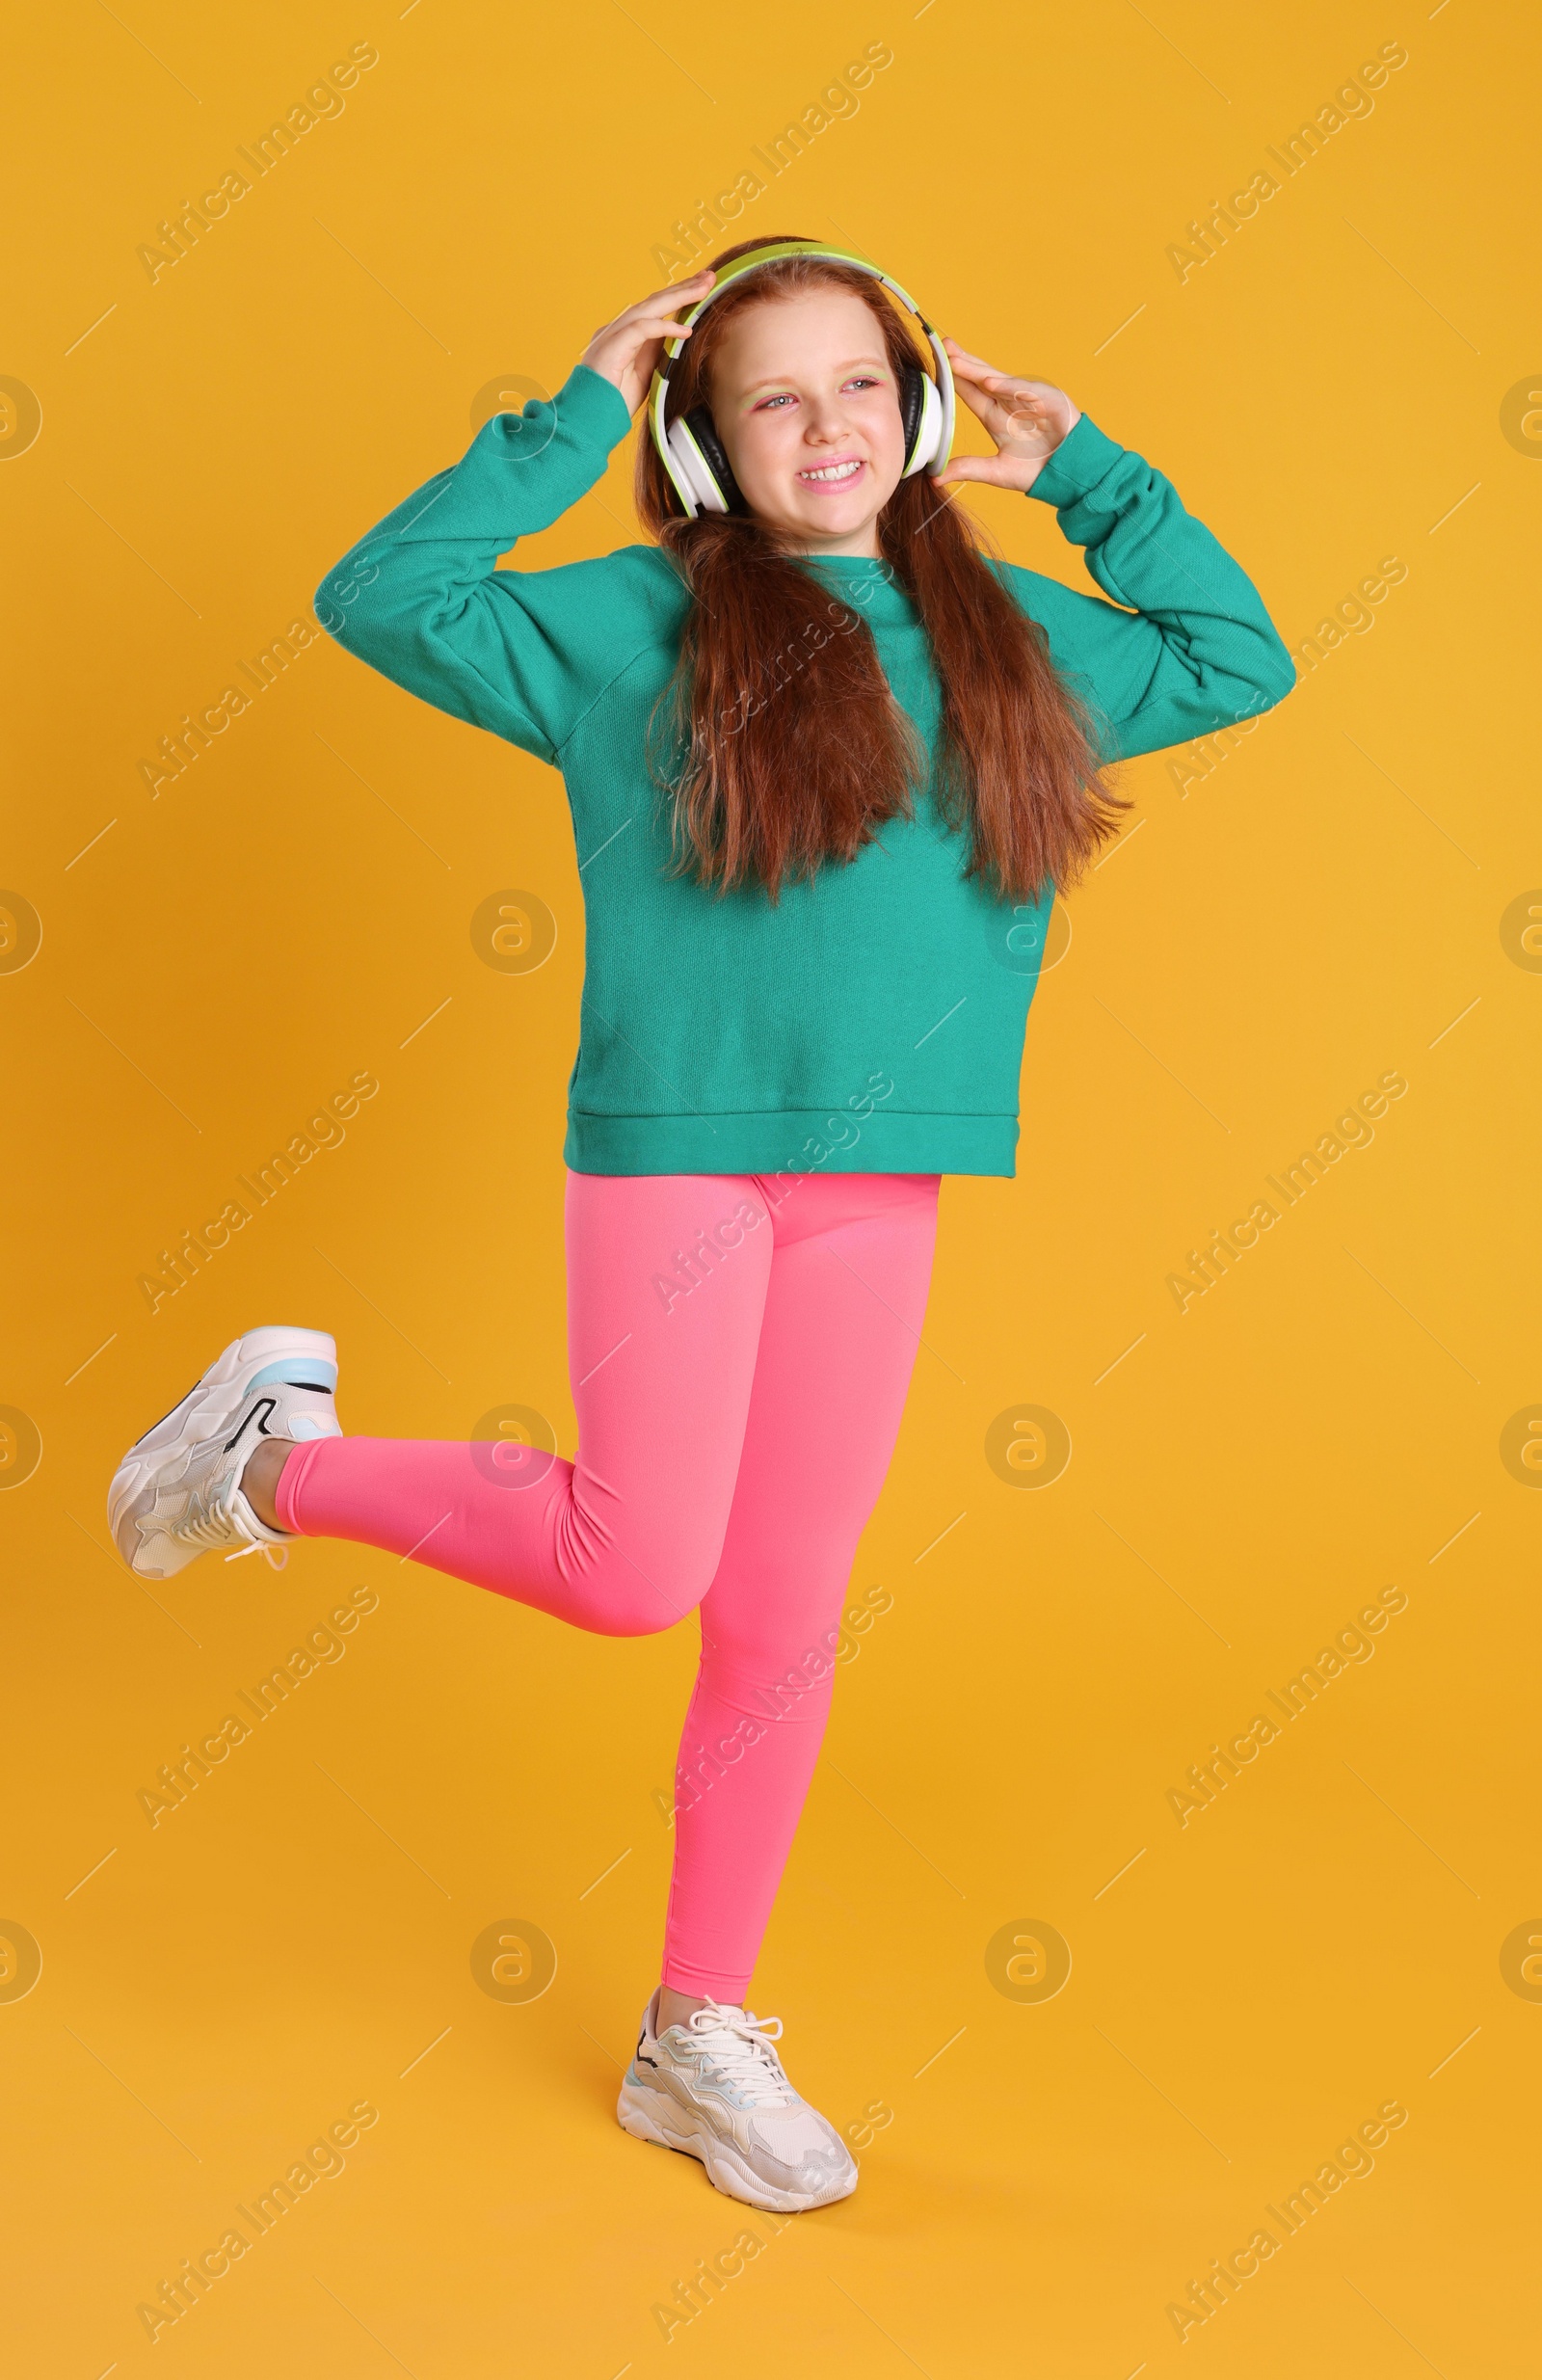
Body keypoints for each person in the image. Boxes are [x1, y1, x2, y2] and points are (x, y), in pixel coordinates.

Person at [108, 236, 1295, 2215]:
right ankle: (277, 1460)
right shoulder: (620, 630)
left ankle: (696, 2031)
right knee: (630, 1563)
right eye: (771, 395)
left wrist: (1081, 464)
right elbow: (378, 597)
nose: (824, 426)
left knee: (781, 1612)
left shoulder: (1013, 640)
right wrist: (570, 411)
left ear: (914, 416)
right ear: (702, 435)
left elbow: (1230, 651)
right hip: (670, 1157)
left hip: (879, 1182)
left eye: (859, 385)